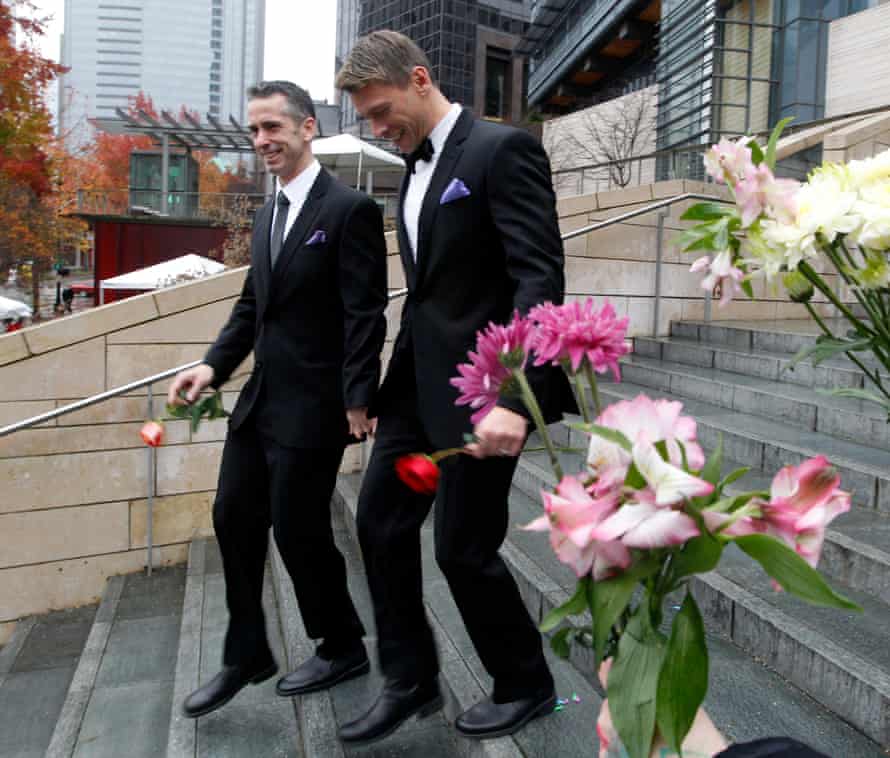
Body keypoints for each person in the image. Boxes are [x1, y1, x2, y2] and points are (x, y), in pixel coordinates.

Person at [335, 30, 574, 744]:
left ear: (418, 77)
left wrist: (513, 397)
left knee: (462, 550)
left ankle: (525, 683)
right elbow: (432, 293)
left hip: (482, 391)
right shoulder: (414, 169)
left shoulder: (503, 150)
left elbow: (540, 281)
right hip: (414, 388)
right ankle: (409, 681)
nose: (379, 129)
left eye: (381, 111)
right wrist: (377, 389)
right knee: (377, 523)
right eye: (368, 120)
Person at [167, 80, 387, 719]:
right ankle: (246, 652)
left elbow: (364, 312)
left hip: (317, 406)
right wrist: (212, 367)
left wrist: (358, 396)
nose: (262, 141)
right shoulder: (267, 215)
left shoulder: (349, 210)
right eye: (255, 131)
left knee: (299, 528)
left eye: (273, 128)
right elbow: (250, 308)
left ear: (307, 128)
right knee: (233, 515)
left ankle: (342, 642)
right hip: (261, 400)